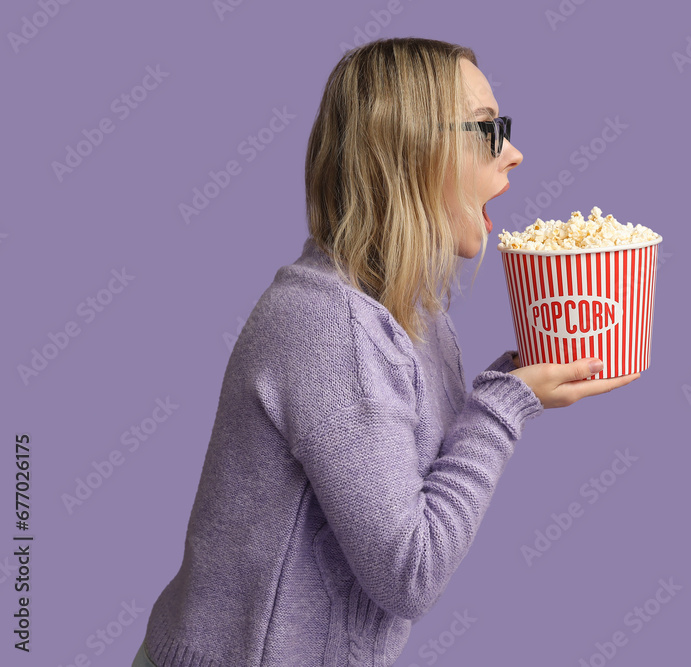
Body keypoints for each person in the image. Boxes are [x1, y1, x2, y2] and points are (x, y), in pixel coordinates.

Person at [132, 37, 640, 667]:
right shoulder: (329, 325)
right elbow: (409, 571)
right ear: (407, 148)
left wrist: (516, 380)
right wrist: (506, 408)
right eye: (486, 129)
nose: (512, 153)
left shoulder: (415, 314)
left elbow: (417, 470)